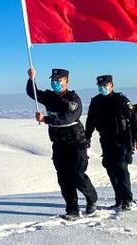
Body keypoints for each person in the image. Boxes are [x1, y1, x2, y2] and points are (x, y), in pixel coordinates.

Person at [26, 67, 98, 219]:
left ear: (66, 81)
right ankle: (72, 210)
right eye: (53, 81)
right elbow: (33, 93)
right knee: (64, 177)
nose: (55, 83)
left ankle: (92, 199)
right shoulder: (49, 97)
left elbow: (68, 118)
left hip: (75, 142)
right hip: (59, 143)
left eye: (59, 81)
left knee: (77, 175)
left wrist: (46, 119)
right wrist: (31, 79)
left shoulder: (73, 99)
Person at [84, 74, 137, 211]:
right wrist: (87, 138)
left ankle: (127, 200)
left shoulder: (121, 100)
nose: (102, 88)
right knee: (111, 170)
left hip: (122, 140)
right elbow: (90, 122)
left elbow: (134, 120)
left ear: (112, 86)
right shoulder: (96, 101)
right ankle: (119, 199)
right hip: (106, 140)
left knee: (122, 169)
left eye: (105, 86)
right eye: (100, 86)